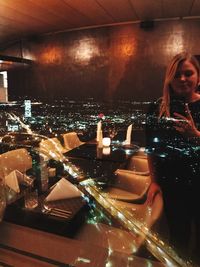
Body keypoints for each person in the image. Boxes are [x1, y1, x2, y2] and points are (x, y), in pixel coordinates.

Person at [145, 52, 200, 263]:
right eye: (177, 74)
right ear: (169, 78)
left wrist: (195, 136)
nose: (183, 79)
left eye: (188, 73)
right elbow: (151, 148)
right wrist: (154, 182)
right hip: (173, 187)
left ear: (198, 77)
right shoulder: (157, 108)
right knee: (178, 237)